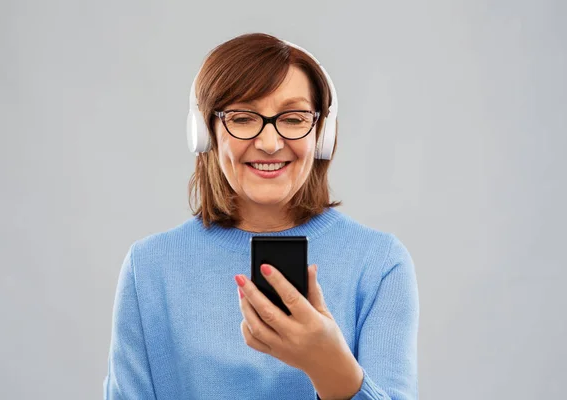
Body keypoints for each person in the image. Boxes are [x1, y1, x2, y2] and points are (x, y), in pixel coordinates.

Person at [103, 32, 419, 400]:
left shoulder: (380, 264)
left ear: (322, 134)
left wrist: (331, 368)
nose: (270, 143)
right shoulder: (149, 269)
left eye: (294, 117)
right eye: (242, 117)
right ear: (207, 132)